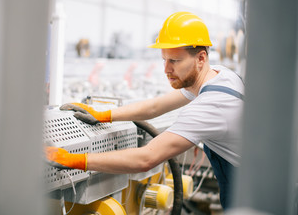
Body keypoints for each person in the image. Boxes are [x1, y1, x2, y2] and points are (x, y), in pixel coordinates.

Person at [45, 12, 244, 209]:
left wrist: (72, 159)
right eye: (164, 59)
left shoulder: (210, 105)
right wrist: (104, 115)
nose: (166, 69)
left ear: (201, 58)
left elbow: (146, 158)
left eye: (174, 61)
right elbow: (155, 106)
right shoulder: (220, 75)